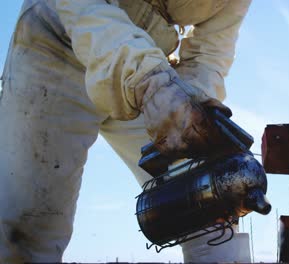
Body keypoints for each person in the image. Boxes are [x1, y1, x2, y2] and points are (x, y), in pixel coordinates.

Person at [0, 0, 252, 262]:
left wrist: (190, 112)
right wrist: (149, 80)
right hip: (59, 41)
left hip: (149, 66)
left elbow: (208, 56)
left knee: (210, 193)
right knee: (26, 229)